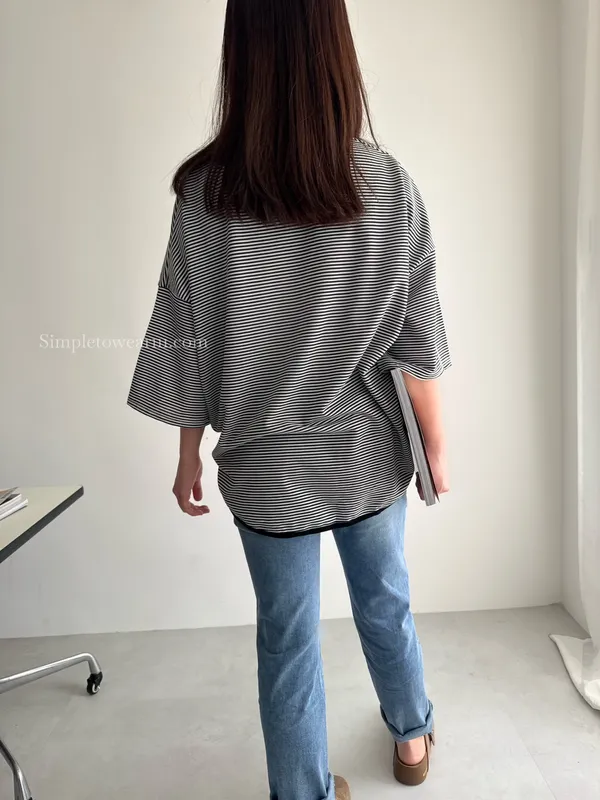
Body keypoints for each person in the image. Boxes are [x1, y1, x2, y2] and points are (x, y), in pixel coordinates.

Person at [128, 0, 451, 797]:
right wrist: (436, 453)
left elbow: (183, 330)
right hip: (366, 458)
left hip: (264, 472)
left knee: (286, 639)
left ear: (241, 52)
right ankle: (412, 739)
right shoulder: (386, 183)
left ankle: (301, 791)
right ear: (335, 51)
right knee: (386, 600)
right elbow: (417, 345)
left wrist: (187, 453)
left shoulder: (203, 194)